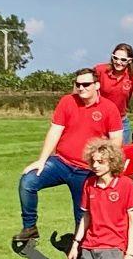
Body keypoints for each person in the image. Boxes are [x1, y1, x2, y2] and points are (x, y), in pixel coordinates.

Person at [15, 68, 123, 242]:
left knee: (82, 217)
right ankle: (29, 228)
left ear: (97, 85)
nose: (81, 88)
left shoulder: (109, 108)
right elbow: (55, 131)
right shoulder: (67, 102)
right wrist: (42, 160)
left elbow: (116, 139)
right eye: (78, 84)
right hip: (61, 163)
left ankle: (78, 255)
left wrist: (103, 165)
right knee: (27, 182)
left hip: (86, 170)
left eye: (86, 84)